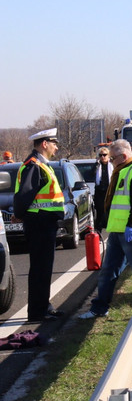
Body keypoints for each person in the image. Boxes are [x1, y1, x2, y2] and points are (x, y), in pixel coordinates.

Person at [79, 139, 132, 319]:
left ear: (123, 156)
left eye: (113, 158)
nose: (110, 161)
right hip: (119, 231)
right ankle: (99, 308)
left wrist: (131, 225)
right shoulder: (122, 171)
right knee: (108, 270)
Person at [13, 128, 65, 322]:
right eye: (54, 143)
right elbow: (24, 195)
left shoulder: (42, 165)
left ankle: (44, 305)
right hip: (40, 223)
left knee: (44, 267)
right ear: (45, 144)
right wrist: (19, 214)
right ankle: (37, 311)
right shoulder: (34, 165)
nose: (56, 147)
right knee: (40, 268)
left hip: (45, 222)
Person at [93, 146, 114, 232]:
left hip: (109, 191)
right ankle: (98, 231)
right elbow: (92, 175)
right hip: (99, 192)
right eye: (101, 155)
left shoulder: (111, 165)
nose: (102, 157)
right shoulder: (97, 166)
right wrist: (96, 166)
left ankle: (111, 228)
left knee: (110, 211)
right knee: (99, 212)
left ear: (108, 156)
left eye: (104, 155)